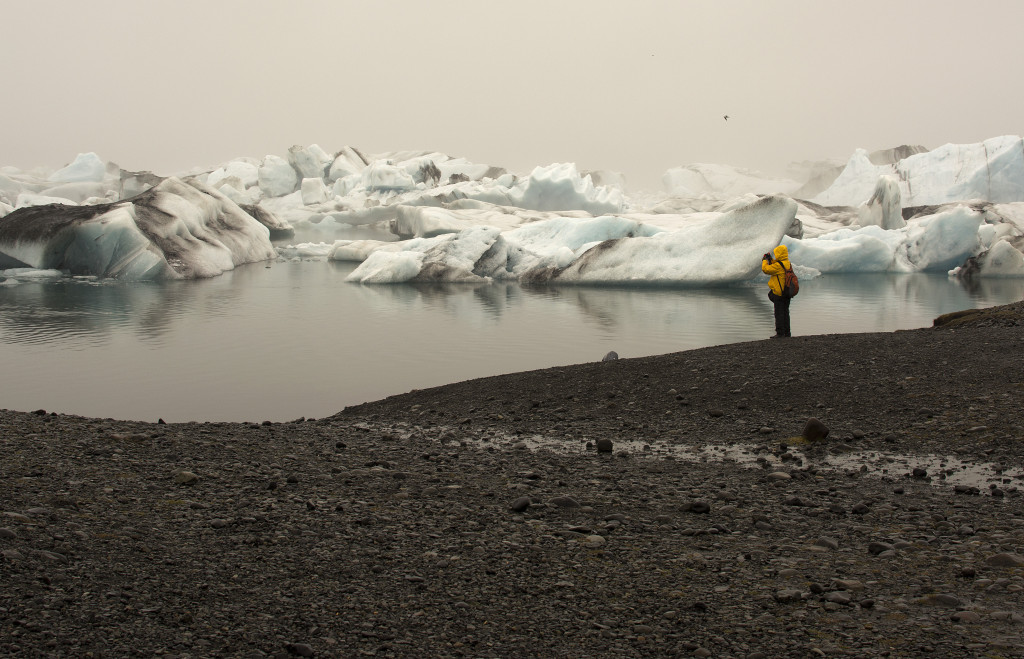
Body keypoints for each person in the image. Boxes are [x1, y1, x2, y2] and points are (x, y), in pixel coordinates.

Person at [761, 245, 793, 338]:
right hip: (787, 293)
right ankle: (787, 333)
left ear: (779, 254)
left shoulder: (779, 266)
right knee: (785, 312)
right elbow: (776, 265)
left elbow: (766, 269)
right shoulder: (787, 263)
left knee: (778, 313)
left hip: (779, 293)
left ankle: (780, 333)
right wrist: (770, 259)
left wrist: (764, 261)